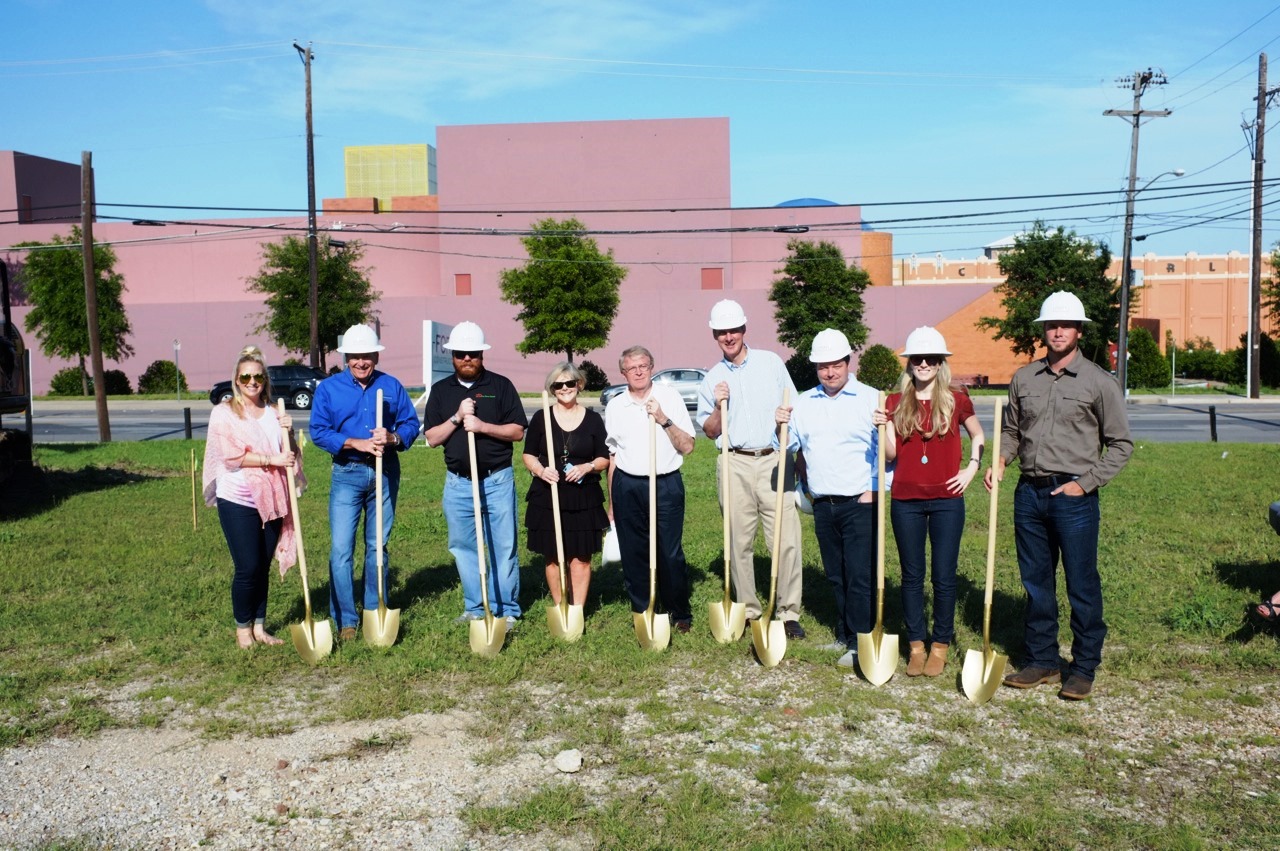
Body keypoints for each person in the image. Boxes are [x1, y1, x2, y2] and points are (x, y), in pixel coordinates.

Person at [986, 291, 1132, 700]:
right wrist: (1001, 458)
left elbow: (1121, 444)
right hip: (1029, 494)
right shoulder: (1024, 378)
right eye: (1052, 325)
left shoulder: (1099, 382)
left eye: (1066, 325)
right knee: (1036, 582)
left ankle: (1083, 667)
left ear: (1079, 330)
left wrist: (1084, 483)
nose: (1058, 331)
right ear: (1044, 331)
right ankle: (1043, 660)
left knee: (1081, 583)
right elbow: (1012, 430)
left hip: (1073, 497)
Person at [878, 327, 984, 677]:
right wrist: (880, 429)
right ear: (909, 363)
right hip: (906, 500)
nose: (924, 364)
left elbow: (978, 434)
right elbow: (891, 455)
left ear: (940, 364)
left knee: (944, 575)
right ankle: (916, 646)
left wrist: (971, 467)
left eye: (931, 359)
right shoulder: (893, 402)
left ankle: (940, 644)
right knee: (911, 576)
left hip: (946, 500)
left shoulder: (957, 399)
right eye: (917, 359)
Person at [697, 299, 805, 638]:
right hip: (734, 461)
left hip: (774, 458)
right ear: (714, 335)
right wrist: (720, 406)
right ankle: (748, 610)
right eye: (721, 332)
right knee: (738, 541)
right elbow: (709, 431)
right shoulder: (712, 379)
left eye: (733, 330)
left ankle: (788, 612)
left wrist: (796, 451)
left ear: (744, 329)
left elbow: (794, 408)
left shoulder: (771, 363)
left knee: (785, 539)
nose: (728, 337)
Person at [775, 329, 880, 668]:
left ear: (849, 362)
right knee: (836, 573)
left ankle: (861, 641)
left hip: (860, 501)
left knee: (859, 575)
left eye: (836, 365)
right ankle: (844, 633)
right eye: (823, 366)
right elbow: (786, 445)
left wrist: (874, 489)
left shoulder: (871, 398)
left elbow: (887, 453)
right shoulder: (804, 402)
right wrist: (778, 425)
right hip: (823, 503)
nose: (830, 372)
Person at [309, 324, 420, 642]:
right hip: (348, 472)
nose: (361, 362)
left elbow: (411, 424)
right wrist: (354, 443)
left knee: (377, 546)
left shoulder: (391, 385)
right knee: (341, 550)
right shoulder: (329, 389)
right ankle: (346, 619)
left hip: (384, 472)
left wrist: (393, 437)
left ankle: (374, 610)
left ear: (376, 356)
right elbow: (319, 431)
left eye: (367, 356)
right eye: (355, 356)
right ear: (346, 358)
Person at [424, 321, 528, 626]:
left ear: (482, 355)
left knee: (503, 545)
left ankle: (506, 609)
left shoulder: (500, 386)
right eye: (461, 354)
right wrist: (457, 417)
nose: (467, 358)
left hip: (497, 480)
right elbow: (432, 438)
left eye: (473, 353)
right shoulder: (441, 391)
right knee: (464, 547)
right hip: (458, 483)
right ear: (452, 356)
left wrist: (482, 426)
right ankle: (475, 606)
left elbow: (517, 431)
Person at [202, 345, 304, 649]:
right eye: (246, 376)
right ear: (236, 379)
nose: (252, 382)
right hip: (238, 500)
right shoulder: (224, 413)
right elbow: (231, 456)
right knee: (247, 567)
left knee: (262, 566)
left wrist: (290, 433)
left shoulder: (275, 413)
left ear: (265, 380)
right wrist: (272, 460)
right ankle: (242, 629)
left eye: (257, 377)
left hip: (272, 499)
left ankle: (259, 626)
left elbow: (290, 455)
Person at [605, 345, 697, 633]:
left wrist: (663, 418)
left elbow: (688, 446)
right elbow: (613, 456)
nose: (638, 372)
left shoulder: (670, 397)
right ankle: (643, 610)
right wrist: (612, 501)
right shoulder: (616, 406)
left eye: (643, 366)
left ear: (652, 367)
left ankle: (679, 611)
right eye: (632, 368)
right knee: (633, 552)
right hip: (628, 484)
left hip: (666, 483)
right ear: (623, 373)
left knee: (669, 552)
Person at [521, 362, 610, 608]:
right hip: (547, 496)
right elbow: (528, 454)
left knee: (581, 557)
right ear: (552, 389)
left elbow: (604, 458)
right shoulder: (541, 418)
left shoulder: (593, 419)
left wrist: (587, 466)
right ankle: (562, 607)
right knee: (552, 557)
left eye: (569, 383)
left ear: (579, 384)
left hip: (583, 498)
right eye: (557, 385)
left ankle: (577, 609)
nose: (564, 388)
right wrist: (540, 470)